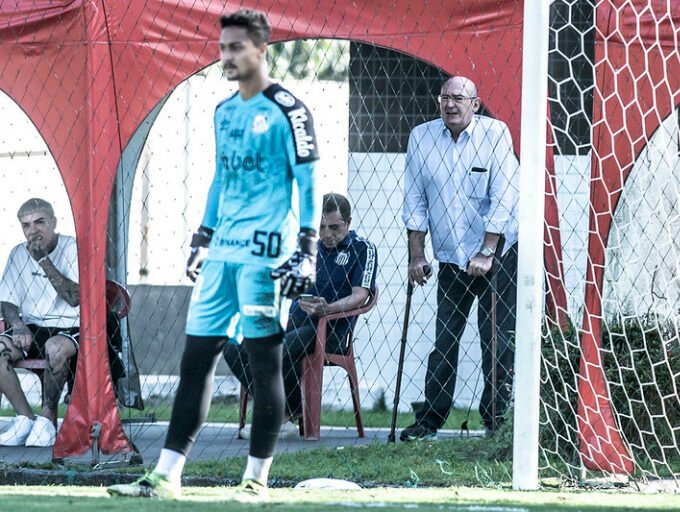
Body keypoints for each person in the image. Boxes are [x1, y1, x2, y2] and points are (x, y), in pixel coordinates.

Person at [107, 9, 319, 502]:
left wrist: (305, 251)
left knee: (263, 364)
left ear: (261, 50)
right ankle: (165, 476)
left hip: (266, 257)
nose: (226, 56)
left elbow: (308, 183)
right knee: (196, 360)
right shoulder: (224, 111)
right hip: (221, 254)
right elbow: (222, 178)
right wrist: (202, 236)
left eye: (236, 48)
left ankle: (255, 481)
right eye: (222, 48)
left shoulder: (290, 110)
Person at [400, 76, 519, 441]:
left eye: (458, 98)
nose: (450, 104)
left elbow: (505, 194)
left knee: (496, 338)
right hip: (452, 258)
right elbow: (415, 199)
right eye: (444, 98)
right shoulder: (422, 137)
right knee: (445, 339)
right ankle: (430, 419)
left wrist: (486, 250)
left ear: (475, 104)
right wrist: (416, 254)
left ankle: (495, 420)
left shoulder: (495, 135)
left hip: (497, 257)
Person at [224, 193, 377, 438]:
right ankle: (280, 408)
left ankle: (283, 414)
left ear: (348, 223)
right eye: (321, 227)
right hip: (295, 321)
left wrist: (328, 308)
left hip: (331, 329)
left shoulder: (362, 249)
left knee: (281, 347)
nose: (327, 234)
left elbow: (361, 295)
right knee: (233, 345)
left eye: (334, 227)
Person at [0, 198, 80, 448]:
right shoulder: (17, 253)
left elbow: (74, 297)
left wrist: (43, 261)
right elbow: (8, 301)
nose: (32, 230)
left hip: (70, 327)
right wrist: (18, 324)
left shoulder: (71, 247)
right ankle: (25, 417)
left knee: (55, 349)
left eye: (39, 222)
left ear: (53, 222)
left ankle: (47, 421)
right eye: (26, 225)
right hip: (33, 327)